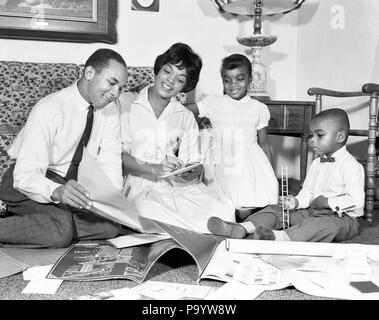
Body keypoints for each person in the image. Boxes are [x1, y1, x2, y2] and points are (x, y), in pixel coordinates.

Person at [0, 48, 128, 248]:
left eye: (121, 88)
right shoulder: (49, 108)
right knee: (61, 230)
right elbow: (25, 175)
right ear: (89, 73)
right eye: (112, 83)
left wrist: (112, 201)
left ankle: (49, 224)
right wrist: (57, 191)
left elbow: (110, 159)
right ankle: (57, 226)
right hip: (25, 181)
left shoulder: (111, 111)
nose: (115, 93)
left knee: (110, 226)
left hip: (69, 183)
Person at [119, 42, 235, 234]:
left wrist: (191, 170)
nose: (171, 81)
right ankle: (205, 229)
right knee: (147, 210)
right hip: (139, 182)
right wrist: (153, 168)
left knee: (224, 208)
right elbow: (118, 156)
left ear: (185, 86)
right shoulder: (126, 103)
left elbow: (193, 161)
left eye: (180, 79)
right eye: (167, 71)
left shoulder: (184, 115)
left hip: (174, 182)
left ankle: (207, 227)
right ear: (157, 70)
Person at [207, 108, 365, 243]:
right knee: (275, 209)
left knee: (323, 226)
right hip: (312, 211)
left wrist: (329, 202)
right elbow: (308, 192)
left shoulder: (352, 167)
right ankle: (244, 227)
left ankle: (279, 237)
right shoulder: (317, 163)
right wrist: (296, 202)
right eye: (311, 136)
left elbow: (357, 202)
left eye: (319, 136)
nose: (312, 140)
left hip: (342, 218)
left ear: (340, 137)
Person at [185, 53, 278, 219]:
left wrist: (270, 172)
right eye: (227, 80)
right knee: (224, 197)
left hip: (250, 160)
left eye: (240, 78)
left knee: (249, 198)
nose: (233, 85)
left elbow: (264, 143)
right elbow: (184, 110)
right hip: (222, 158)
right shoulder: (213, 103)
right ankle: (231, 219)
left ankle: (246, 222)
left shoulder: (259, 108)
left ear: (250, 80)